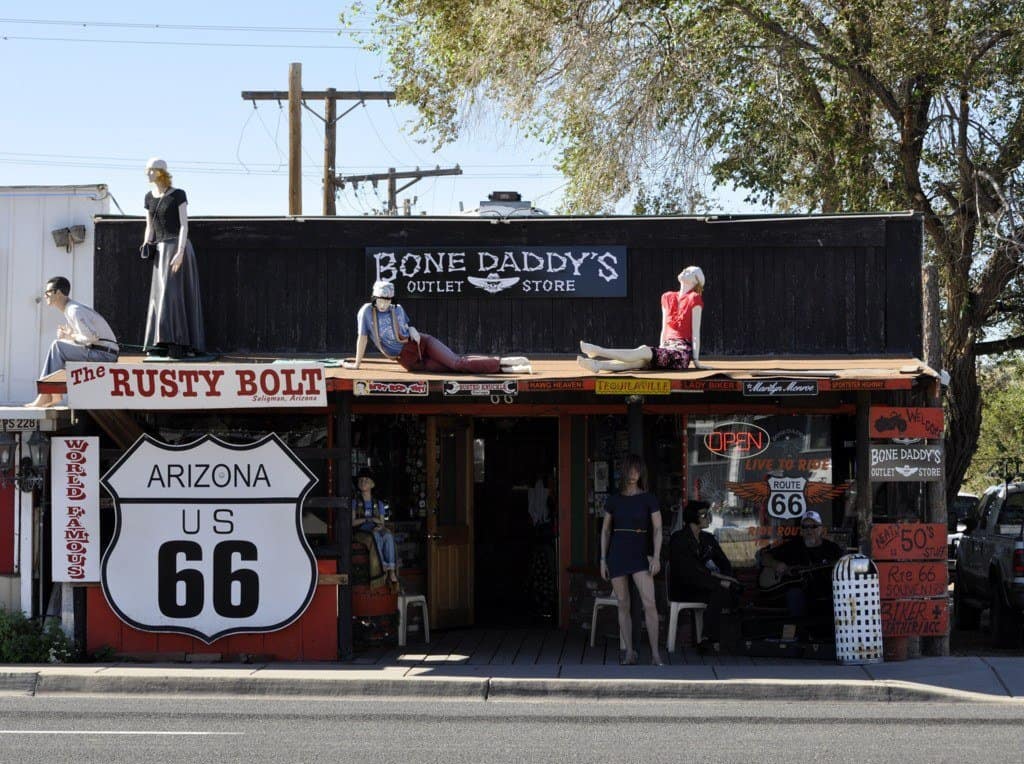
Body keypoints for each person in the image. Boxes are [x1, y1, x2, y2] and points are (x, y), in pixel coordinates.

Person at [340, 280, 532, 374]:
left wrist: (413, 330)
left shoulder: (396, 309)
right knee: (454, 369)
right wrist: (357, 364)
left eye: (388, 299)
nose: (384, 303)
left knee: (457, 362)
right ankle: (504, 369)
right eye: (381, 299)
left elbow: (408, 328)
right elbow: (362, 337)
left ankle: (502, 362)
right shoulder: (366, 312)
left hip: (420, 344)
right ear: (374, 298)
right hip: (408, 360)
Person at [577, 265, 705, 372]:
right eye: (685, 269)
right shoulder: (667, 296)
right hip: (666, 348)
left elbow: (696, 333)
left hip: (680, 353)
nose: (684, 271)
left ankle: (598, 351)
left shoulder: (694, 298)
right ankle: (598, 365)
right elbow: (664, 329)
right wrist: (661, 348)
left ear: (695, 281)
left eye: (690, 272)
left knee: (643, 350)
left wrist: (696, 361)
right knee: (638, 362)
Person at [599, 453, 664, 665]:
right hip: (617, 554)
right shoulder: (614, 499)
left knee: (650, 604)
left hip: (640, 555)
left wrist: (656, 556)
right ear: (624, 471)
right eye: (631, 470)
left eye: (638, 470)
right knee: (622, 604)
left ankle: (655, 654)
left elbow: (658, 528)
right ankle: (629, 652)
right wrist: (602, 559)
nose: (634, 474)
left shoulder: (648, 498)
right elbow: (606, 531)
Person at [141, 157, 205, 359]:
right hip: (160, 250)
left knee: (174, 295)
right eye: (147, 170)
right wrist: (146, 244)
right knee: (160, 298)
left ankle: (182, 345)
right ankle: (162, 344)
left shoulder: (178, 194)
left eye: (151, 170)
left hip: (177, 246)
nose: (147, 173)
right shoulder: (148, 197)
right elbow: (149, 225)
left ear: (161, 172)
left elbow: (184, 224)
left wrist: (180, 251)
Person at [27, 277, 119, 407]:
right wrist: (69, 337)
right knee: (59, 345)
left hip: (104, 354)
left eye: (48, 292)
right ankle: (51, 393)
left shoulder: (74, 310)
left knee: (57, 346)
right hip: (102, 351)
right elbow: (89, 337)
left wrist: (71, 336)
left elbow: (92, 337)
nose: (45, 295)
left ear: (58, 293)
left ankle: (47, 394)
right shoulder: (71, 309)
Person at [668, 500, 740, 653]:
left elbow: (724, 563)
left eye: (709, 514)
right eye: (703, 515)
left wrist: (726, 577)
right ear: (692, 517)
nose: (708, 518)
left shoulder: (708, 539)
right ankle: (711, 639)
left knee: (729, 590)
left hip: (706, 586)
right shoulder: (679, 538)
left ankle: (711, 639)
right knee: (720, 588)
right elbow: (688, 570)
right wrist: (719, 579)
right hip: (684, 587)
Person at [759, 510, 843, 620]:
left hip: (825, 593)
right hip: (799, 595)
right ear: (801, 530)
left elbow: (845, 567)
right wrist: (776, 564)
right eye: (805, 526)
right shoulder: (792, 546)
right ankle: (797, 632)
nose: (809, 530)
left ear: (821, 529)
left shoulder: (832, 549)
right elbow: (764, 556)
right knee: (794, 594)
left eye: (813, 526)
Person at [351, 467, 399, 587]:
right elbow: (352, 523)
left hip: (376, 529)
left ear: (373, 484)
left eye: (366, 480)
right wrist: (368, 519)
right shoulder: (355, 502)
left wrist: (379, 526)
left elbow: (381, 522)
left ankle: (392, 571)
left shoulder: (379, 504)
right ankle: (381, 567)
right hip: (361, 532)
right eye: (361, 480)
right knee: (375, 536)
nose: (363, 482)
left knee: (388, 535)